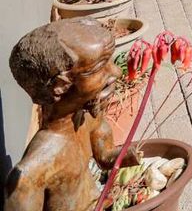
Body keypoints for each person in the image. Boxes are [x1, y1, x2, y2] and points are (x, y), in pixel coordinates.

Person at [4, 19, 138, 211]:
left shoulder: (88, 117)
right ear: (60, 85)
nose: (116, 71)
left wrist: (134, 156)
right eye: (98, 68)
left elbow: (105, 157)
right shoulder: (30, 175)